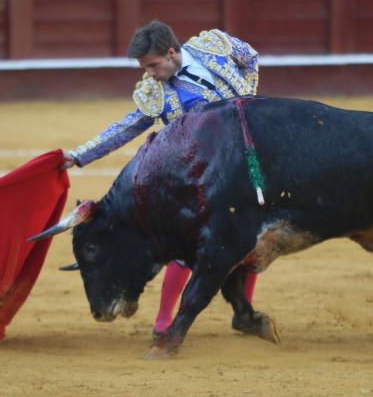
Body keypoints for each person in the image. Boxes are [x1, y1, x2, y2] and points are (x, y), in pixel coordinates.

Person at [62, 20, 264, 342]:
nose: (150, 74)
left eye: (154, 65)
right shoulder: (154, 91)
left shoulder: (214, 47)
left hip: (247, 158)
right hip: (200, 175)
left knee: (253, 236)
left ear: (172, 53)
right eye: (145, 68)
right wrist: (80, 155)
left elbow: (251, 57)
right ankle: (163, 321)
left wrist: (249, 102)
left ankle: (245, 313)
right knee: (185, 246)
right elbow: (127, 127)